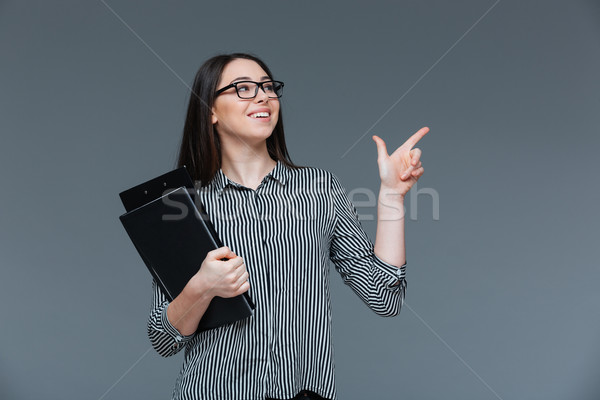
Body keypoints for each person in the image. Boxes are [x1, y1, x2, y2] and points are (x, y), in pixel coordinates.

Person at [147, 53, 427, 400]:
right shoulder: (182, 206)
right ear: (211, 111)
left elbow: (384, 296)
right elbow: (163, 338)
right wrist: (201, 288)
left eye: (268, 87)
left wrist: (392, 196)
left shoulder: (321, 189)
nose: (263, 96)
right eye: (243, 89)